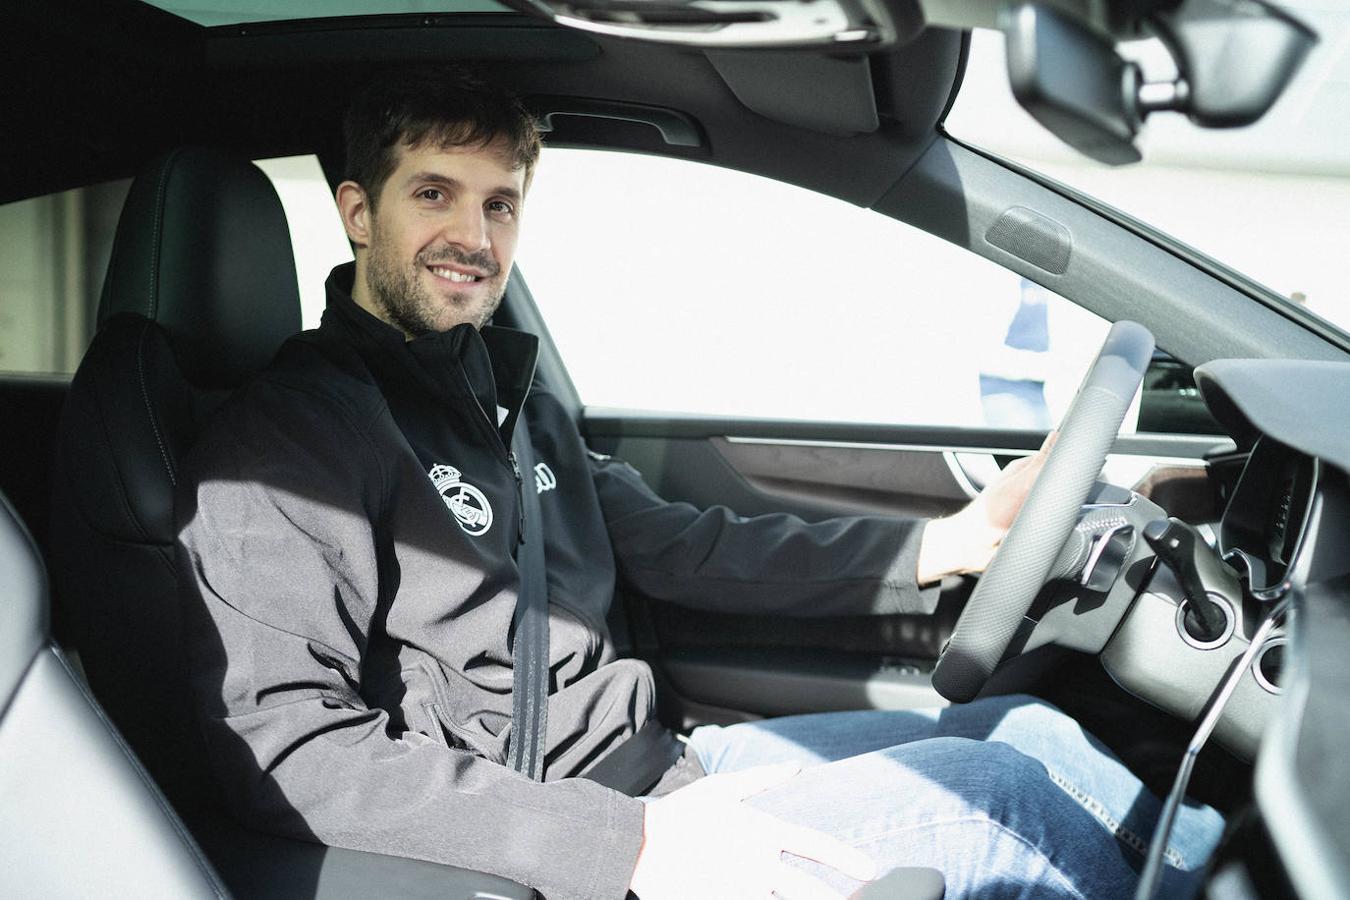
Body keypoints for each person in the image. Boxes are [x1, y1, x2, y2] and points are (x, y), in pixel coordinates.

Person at [175, 68, 1224, 900]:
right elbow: (291, 745)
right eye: (434, 195)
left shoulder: (505, 398)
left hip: (669, 763)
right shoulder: (289, 442)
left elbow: (685, 546)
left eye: (502, 203)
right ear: (360, 213)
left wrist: (941, 545)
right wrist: (622, 844)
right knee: (999, 799)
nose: (476, 237)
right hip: (576, 828)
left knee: (1033, 734)